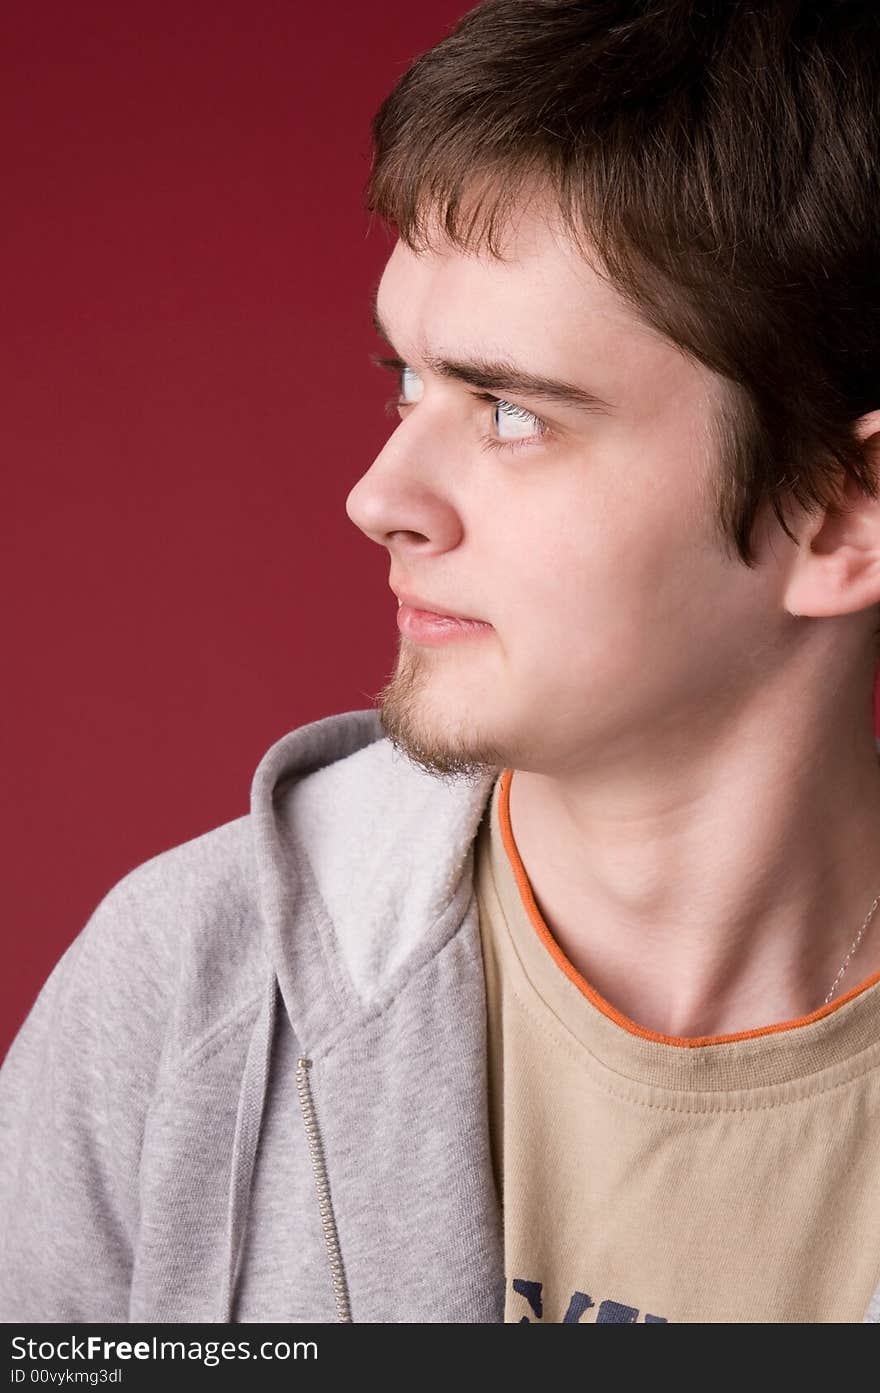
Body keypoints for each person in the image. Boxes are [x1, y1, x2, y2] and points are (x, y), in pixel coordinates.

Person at [3, 0, 880, 1325]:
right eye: (407, 386)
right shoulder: (184, 992)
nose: (378, 495)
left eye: (512, 411)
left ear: (842, 513)